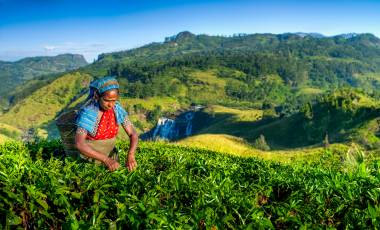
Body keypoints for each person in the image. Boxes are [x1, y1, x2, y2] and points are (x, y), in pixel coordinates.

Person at [74, 76, 138, 171]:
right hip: (90, 161)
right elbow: (79, 144)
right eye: (107, 100)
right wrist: (105, 159)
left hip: (112, 159)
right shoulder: (88, 113)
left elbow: (133, 134)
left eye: (114, 100)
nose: (110, 105)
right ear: (97, 96)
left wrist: (131, 155)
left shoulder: (117, 110)